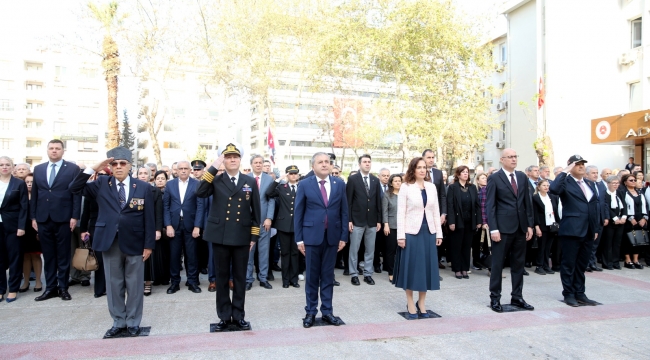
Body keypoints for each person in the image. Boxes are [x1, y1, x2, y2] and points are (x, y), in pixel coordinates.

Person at [69, 146, 155, 337]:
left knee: (134, 285)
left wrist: (149, 245)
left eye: (122, 163)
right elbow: (74, 188)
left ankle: (133, 322)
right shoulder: (101, 183)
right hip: (109, 241)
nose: (118, 167)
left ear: (130, 166)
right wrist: (94, 167)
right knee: (114, 283)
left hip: (135, 241)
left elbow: (149, 218)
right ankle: (118, 321)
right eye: (114, 164)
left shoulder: (143, 187)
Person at [195, 143, 261, 332]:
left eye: (235, 156)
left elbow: (256, 211)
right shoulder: (216, 179)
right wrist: (213, 167)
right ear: (223, 159)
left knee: (240, 278)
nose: (232, 159)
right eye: (228, 156)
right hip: (220, 235)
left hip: (241, 235)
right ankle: (224, 316)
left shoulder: (249, 181)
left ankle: (239, 315)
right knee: (222, 278)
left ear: (240, 160)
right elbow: (199, 192)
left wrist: (253, 238)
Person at [294, 152, 348, 328]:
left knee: (327, 276)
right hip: (311, 237)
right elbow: (298, 213)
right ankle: (310, 311)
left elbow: (344, 211)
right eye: (320, 162)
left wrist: (343, 236)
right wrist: (299, 239)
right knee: (311, 277)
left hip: (332, 237)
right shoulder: (304, 184)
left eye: (327, 162)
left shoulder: (339, 184)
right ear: (313, 166)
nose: (325, 164)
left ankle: (327, 311)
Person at [32, 139, 81, 302]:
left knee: (63, 255)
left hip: (64, 218)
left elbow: (76, 194)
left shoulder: (72, 169)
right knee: (48, 255)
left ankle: (63, 288)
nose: (54, 151)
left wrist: (74, 216)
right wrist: (33, 217)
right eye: (51, 148)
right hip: (43, 218)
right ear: (47, 150)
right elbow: (35, 195)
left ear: (62, 151)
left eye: (57, 148)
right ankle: (51, 288)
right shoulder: (38, 169)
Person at [486, 148, 534, 313]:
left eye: (515, 156)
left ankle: (517, 297)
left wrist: (529, 225)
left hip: (520, 227)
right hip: (502, 228)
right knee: (498, 265)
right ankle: (495, 298)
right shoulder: (494, 178)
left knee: (518, 265)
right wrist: (493, 228)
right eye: (510, 157)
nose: (514, 159)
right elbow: (490, 206)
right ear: (502, 159)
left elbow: (527, 203)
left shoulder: (521, 177)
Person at [550, 155, 602, 307]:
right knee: (569, 264)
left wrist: (596, 228)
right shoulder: (565, 182)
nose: (581, 166)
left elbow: (594, 206)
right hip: (572, 229)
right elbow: (553, 189)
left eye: (582, 164)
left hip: (588, 229)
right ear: (570, 166)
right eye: (577, 164)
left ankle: (580, 292)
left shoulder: (588, 183)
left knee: (582, 264)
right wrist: (565, 171)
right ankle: (568, 294)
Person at [394, 157, 443, 319]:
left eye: (424, 167)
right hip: (410, 233)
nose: (422, 170)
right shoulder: (406, 187)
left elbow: (435, 211)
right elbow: (400, 213)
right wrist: (401, 236)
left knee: (426, 269)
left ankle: (421, 303)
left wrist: (439, 233)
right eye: (419, 167)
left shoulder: (431, 187)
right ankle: (410, 302)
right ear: (413, 170)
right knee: (411, 269)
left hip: (428, 232)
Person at [163, 160, 204, 294]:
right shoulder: (170, 185)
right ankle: (174, 283)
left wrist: (197, 226)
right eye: (180, 168)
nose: (183, 170)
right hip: (174, 225)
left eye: (186, 168)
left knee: (191, 255)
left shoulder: (196, 184)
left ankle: (192, 281)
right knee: (174, 256)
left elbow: (200, 207)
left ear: (190, 170)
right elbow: (166, 206)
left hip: (191, 225)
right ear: (176, 170)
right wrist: (168, 225)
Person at [346, 154, 381, 286]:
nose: (367, 164)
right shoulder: (353, 179)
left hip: (371, 220)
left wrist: (378, 220)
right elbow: (348, 201)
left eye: (369, 162)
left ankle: (368, 274)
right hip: (357, 220)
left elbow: (378, 201)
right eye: (365, 162)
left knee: (370, 249)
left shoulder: (375, 180)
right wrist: (349, 219)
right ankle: (354, 274)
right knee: (354, 249)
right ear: (360, 164)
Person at [266, 165, 301, 288]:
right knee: (285, 253)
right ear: (287, 175)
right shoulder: (281, 187)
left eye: (295, 173)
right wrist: (278, 179)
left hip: (298, 225)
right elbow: (269, 192)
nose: (293, 175)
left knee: (295, 253)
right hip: (284, 224)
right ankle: (285, 280)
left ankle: (294, 279)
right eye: (290, 173)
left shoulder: (302, 187)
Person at [0, 156, 28, 302]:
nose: (4, 167)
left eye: (7, 165)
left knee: (15, 258)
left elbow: (24, 206)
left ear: (12, 167)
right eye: (1, 165)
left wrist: (21, 226)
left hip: (13, 225)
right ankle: (0, 289)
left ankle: (13, 288)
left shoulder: (18, 183)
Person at [245, 155, 275, 290]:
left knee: (264, 251)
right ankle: (248, 279)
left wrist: (269, 218)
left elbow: (271, 200)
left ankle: (263, 278)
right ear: (251, 164)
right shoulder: (245, 179)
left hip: (264, 222)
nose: (258, 165)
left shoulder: (269, 179)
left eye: (260, 162)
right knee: (248, 250)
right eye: (256, 162)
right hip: (248, 222)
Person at [446, 166, 481, 279]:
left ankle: (465, 268)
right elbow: (450, 206)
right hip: (457, 221)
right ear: (458, 174)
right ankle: (457, 269)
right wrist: (451, 221)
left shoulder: (472, 187)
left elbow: (477, 205)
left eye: (467, 172)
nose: (466, 174)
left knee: (467, 246)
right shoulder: (453, 187)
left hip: (470, 221)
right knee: (457, 246)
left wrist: (478, 220)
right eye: (463, 172)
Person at [79, 167, 108, 298]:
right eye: (99, 174)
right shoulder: (91, 190)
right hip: (95, 227)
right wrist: (83, 230)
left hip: (111, 226)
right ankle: (100, 288)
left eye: (104, 175)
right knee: (99, 259)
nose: (101, 177)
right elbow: (85, 212)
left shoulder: (112, 190)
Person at [136, 167, 163, 296]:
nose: (142, 175)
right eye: (140, 173)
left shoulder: (155, 191)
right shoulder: (132, 189)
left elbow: (158, 212)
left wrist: (157, 230)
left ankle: (147, 282)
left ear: (149, 176)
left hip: (149, 228)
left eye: (145, 173)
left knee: (148, 256)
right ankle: (135, 283)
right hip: (134, 228)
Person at [422, 150, 447, 272]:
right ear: (423, 158)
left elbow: (442, 194)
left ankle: (434, 268)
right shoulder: (417, 171)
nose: (431, 159)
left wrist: (443, 213)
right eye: (428, 157)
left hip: (435, 212)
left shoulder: (438, 173)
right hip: (421, 212)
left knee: (435, 240)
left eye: (433, 157)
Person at [19, 173, 43, 293]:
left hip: (35, 229)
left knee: (36, 255)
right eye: (27, 181)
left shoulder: (39, 196)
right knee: (25, 256)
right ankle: (26, 281)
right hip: (22, 229)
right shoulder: (20, 195)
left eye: (31, 182)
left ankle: (38, 281)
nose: (29, 184)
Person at [532, 179, 560, 275]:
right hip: (541, 225)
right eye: (544, 185)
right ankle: (539, 266)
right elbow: (535, 213)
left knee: (548, 247)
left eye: (547, 185)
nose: (546, 187)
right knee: (541, 246)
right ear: (539, 187)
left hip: (551, 225)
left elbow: (556, 211)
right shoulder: (535, 198)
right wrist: (537, 227)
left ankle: (546, 265)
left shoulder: (552, 197)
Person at [584, 165, 608, 272]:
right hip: (590, 218)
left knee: (596, 243)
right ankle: (586, 264)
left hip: (600, 218)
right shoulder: (584, 185)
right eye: (593, 173)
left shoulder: (600, 185)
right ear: (587, 174)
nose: (595, 175)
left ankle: (592, 263)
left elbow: (605, 202)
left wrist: (606, 217)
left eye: (596, 172)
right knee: (588, 241)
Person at [621, 174, 646, 269]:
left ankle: (636, 260)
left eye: (634, 180)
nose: (633, 182)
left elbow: (645, 206)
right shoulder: (623, 192)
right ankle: (628, 260)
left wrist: (644, 218)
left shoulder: (640, 192)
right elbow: (623, 206)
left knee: (639, 239)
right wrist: (630, 218)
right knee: (628, 240)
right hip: (629, 220)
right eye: (631, 180)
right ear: (625, 182)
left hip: (640, 219)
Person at [602, 175, 626, 270]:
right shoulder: (604, 194)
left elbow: (624, 205)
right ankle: (608, 263)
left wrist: (624, 217)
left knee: (617, 243)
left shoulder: (620, 193)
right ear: (608, 184)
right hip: (611, 222)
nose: (616, 185)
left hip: (620, 221)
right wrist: (615, 218)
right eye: (614, 183)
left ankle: (616, 262)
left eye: (617, 183)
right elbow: (606, 206)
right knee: (608, 243)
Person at [152, 170, 171, 286]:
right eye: (158, 178)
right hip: (155, 227)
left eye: (162, 178)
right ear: (154, 180)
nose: (160, 180)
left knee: (167, 253)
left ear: (166, 180)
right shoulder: (150, 192)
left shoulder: (169, 192)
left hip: (168, 227)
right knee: (156, 253)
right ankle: (157, 277)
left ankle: (166, 277)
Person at [382, 174, 402, 281]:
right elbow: (384, 211)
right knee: (391, 250)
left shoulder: (404, 195)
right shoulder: (387, 195)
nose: (398, 183)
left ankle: (400, 271)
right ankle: (391, 272)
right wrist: (386, 224)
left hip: (403, 226)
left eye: (399, 181)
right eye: (395, 181)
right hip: (391, 226)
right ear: (391, 183)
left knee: (402, 250)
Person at [472, 173, 489, 272]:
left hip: (486, 221)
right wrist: (482, 221)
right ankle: (476, 262)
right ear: (477, 180)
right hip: (479, 221)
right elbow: (481, 207)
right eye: (482, 178)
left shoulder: (487, 189)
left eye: (486, 178)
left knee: (486, 244)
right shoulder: (478, 190)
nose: (485, 179)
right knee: (477, 243)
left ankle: (484, 261)